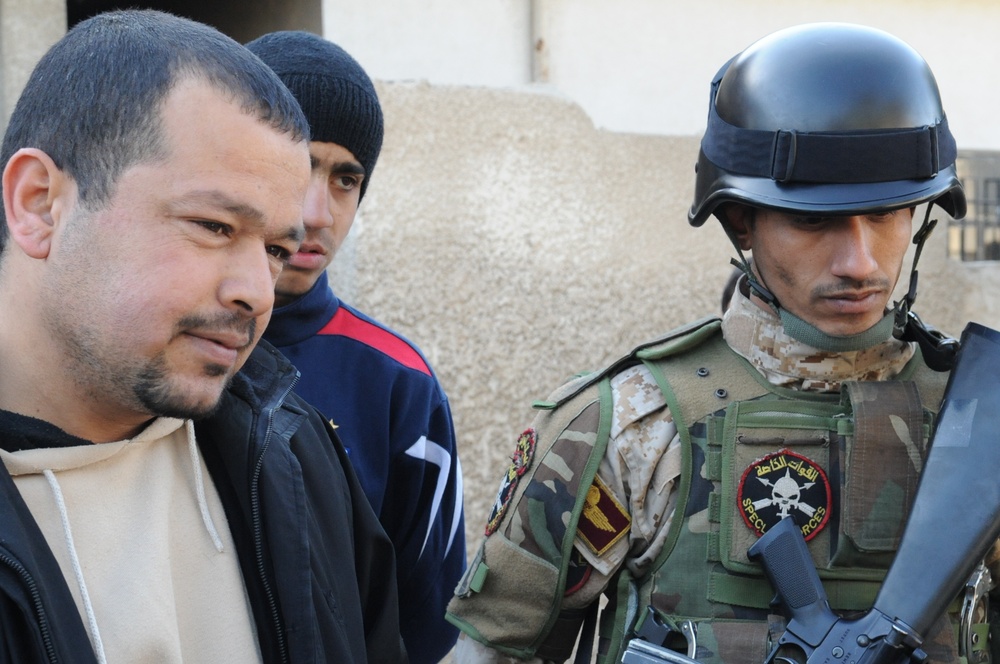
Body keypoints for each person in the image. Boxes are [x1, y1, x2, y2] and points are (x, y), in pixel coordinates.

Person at [446, 22, 990, 664]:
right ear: (741, 220)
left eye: (886, 214)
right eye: (813, 221)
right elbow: (493, 652)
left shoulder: (984, 420)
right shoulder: (630, 427)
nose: (860, 261)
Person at [0, 10, 406, 663]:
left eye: (276, 249)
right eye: (216, 226)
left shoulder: (296, 457)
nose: (258, 291)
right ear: (39, 202)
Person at [245, 31, 466, 663]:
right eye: (297, 166)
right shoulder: (154, 354)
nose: (318, 212)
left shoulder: (399, 384)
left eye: (346, 179)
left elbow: (430, 621)